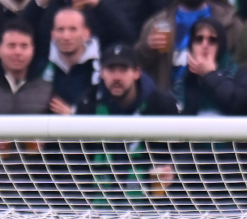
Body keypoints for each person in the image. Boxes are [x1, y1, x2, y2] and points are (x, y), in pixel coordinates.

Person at [75, 44, 178, 202]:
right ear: (102, 73)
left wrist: (172, 171)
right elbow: (76, 162)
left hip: (151, 208)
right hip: (95, 210)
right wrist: (88, 216)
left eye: (123, 70)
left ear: (137, 72)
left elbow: (179, 154)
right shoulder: (88, 103)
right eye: (111, 70)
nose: (117, 77)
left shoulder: (161, 104)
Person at [136, 0, 243, 95]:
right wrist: (147, 49)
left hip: (218, 105)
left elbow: (244, 70)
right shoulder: (155, 25)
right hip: (172, 107)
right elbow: (137, 74)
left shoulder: (230, 23)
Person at [176, 16, 247, 115]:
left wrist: (211, 75)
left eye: (212, 40)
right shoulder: (185, 81)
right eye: (199, 39)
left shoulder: (245, 75)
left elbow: (237, 104)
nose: (205, 45)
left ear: (221, 46)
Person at [0, 20, 52, 114]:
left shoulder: (47, 91)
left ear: (32, 50)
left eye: (24, 46)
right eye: (11, 46)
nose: (18, 52)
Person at [44, 6, 103, 113]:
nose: (66, 36)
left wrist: (74, 116)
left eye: (73, 29)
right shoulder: (42, 65)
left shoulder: (100, 67)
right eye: (60, 29)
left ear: (86, 33)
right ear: (52, 34)